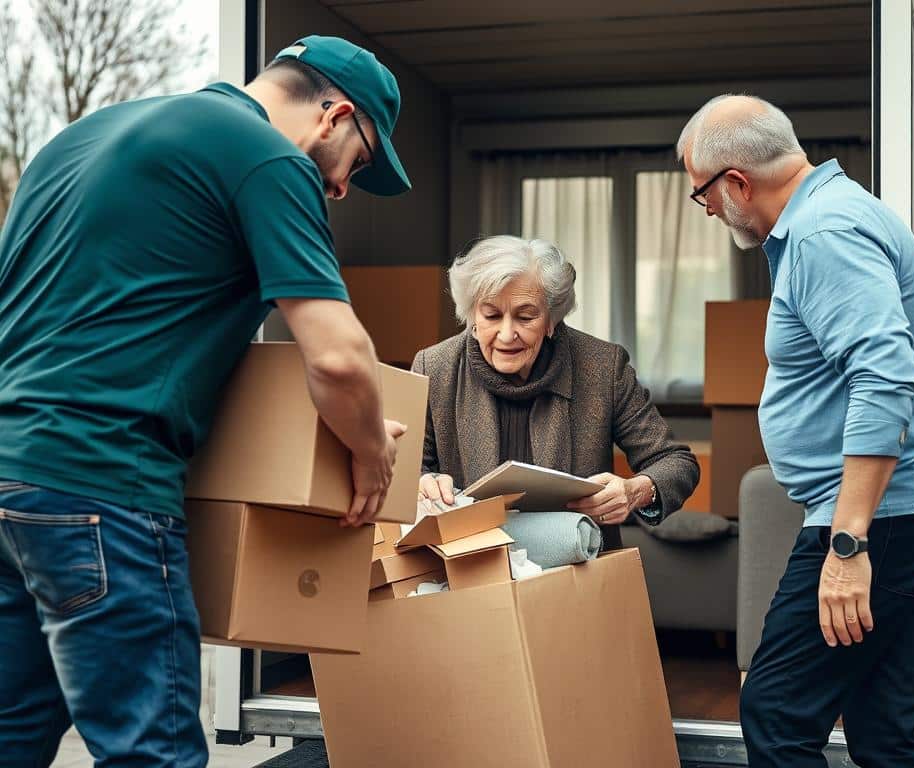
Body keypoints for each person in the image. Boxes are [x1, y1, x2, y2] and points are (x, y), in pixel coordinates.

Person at [0, 36, 410, 767]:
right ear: (334, 115)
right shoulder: (268, 159)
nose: (343, 188)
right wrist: (373, 455)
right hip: (101, 484)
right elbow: (342, 358)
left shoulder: (75, 142)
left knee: (12, 734)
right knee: (152, 752)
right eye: (361, 161)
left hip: (11, 480)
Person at [678, 94, 914, 767]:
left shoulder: (823, 234)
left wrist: (847, 544)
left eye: (702, 194)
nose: (706, 211)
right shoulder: (834, 217)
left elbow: (884, 378)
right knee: (885, 729)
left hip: (888, 521)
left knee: (778, 709)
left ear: (736, 183)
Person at [412, 235, 700, 549]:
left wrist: (635, 490)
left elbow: (676, 462)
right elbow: (404, 472)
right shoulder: (435, 367)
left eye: (526, 317)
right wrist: (420, 483)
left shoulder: (602, 367)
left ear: (551, 319)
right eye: (492, 315)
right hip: (468, 568)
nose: (507, 335)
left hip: (578, 566)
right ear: (471, 318)